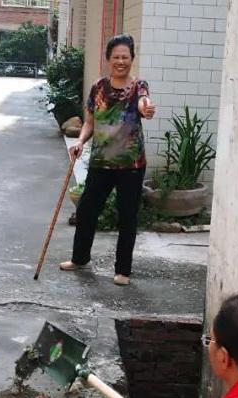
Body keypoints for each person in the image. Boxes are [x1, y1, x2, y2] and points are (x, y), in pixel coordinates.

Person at [60, 34, 156, 286]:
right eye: (116, 57)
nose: (121, 61)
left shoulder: (138, 86)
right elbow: (90, 122)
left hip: (131, 165)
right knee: (87, 210)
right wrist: (80, 141)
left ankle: (123, 270)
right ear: (108, 59)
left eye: (125, 57)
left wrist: (146, 107)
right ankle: (80, 258)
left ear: (132, 59)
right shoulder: (98, 88)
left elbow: (145, 102)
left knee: (127, 217)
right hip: (101, 161)